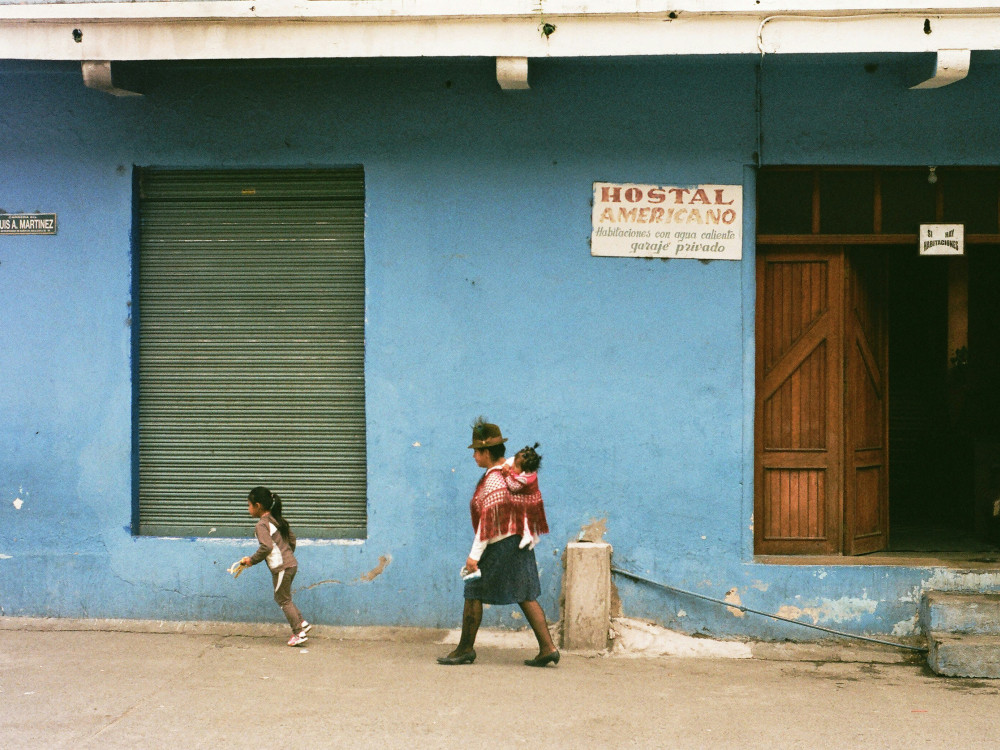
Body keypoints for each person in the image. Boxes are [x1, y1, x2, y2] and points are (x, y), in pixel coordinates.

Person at [437, 419, 559, 667]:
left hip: (501, 544)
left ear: (486, 452)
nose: (473, 456)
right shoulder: (511, 472)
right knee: (525, 595)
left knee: (473, 590)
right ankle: (548, 648)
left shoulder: (494, 479)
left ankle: (464, 649)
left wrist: (474, 556)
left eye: (476, 452)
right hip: (518, 543)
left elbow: (487, 523)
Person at [240, 486, 312, 647]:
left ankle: (298, 633)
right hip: (290, 564)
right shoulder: (276, 519)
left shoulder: (262, 525)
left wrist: (251, 560)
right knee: (285, 597)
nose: (248, 508)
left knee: (282, 599)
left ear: (258, 506)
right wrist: (288, 555)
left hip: (282, 567)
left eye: (249, 505)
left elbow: (266, 547)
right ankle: (302, 623)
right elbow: (291, 539)